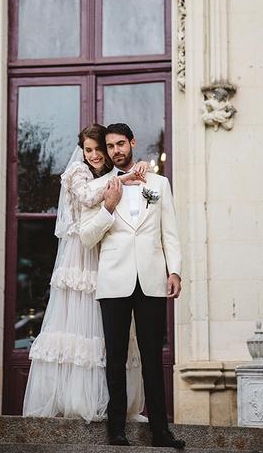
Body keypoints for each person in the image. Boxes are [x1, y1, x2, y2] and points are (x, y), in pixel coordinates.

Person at [23, 123, 148, 422]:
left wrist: (130, 173)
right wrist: (127, 176)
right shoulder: (77, 174)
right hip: (80, 253)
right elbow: (87, 197)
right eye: (87, 150)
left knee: (107, 331)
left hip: (106, 250)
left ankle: (113, 402)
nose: (92, 155)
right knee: (79, 325)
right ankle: (77, 399)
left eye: (97, 150)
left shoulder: (109, 175)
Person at [79, 123, 185, 449]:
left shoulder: (159, 184)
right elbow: (86, 237)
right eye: (110, 146)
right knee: (115, 358)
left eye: (120, 144)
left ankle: (161, 431)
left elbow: (170, 232)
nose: (115, 151)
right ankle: (117, 429)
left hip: (152, 281)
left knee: (153, 357)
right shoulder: (101, 187)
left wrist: (175, 271)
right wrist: (108, 205)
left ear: (132, 143)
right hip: (114, 284)